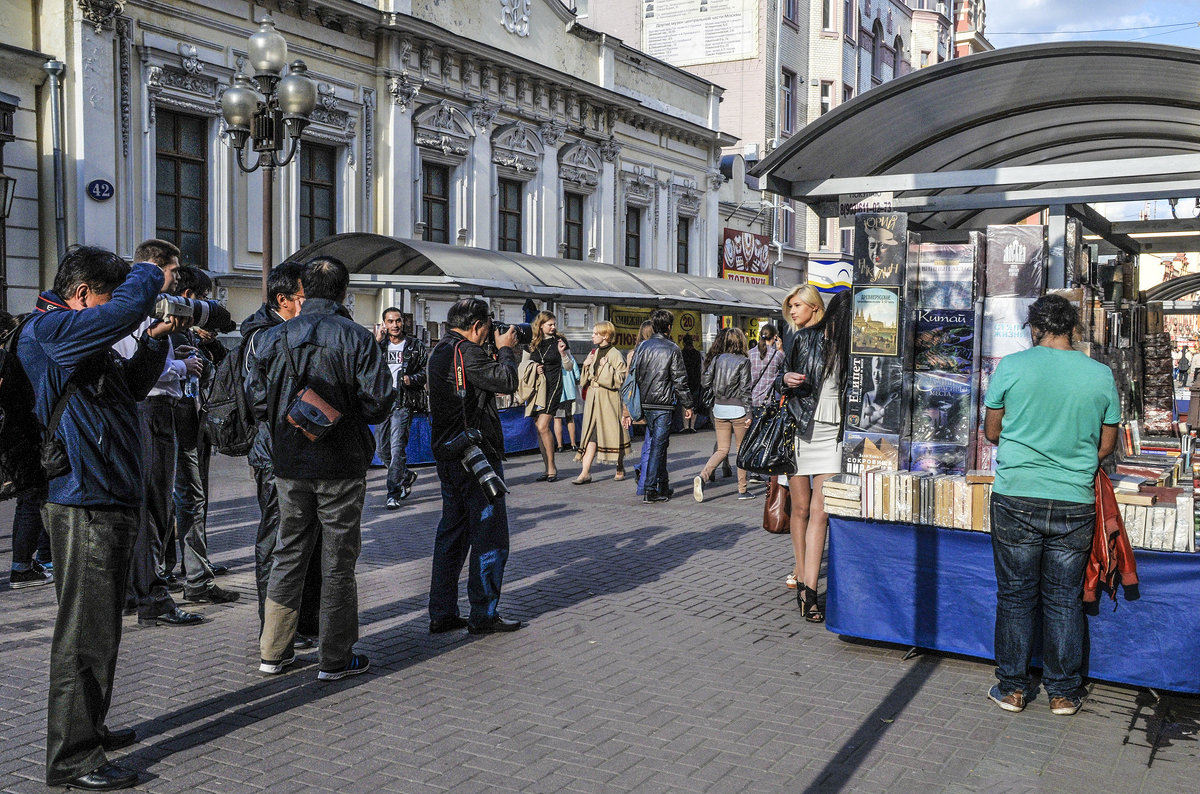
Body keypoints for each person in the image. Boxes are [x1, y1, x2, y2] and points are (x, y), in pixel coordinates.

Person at [19, 245, 179, 790]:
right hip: (84, 500)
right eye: (109, 297)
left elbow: (128, 389)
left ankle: (90, 726)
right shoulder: (49, 331)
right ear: (84, 294)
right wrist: (148, 277)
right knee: (84, 634)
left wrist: (155, 344)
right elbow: (118, 313)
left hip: (105, 493)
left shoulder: (77, 335)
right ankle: (73, 758)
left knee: (100, 629)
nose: (119, 309)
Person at [250, 256, 394, 681]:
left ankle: (273, 650)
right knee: (338, 560)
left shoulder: (274, 337)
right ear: (344, 291)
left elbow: (258, 401)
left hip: (289, 461)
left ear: (303, 291)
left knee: (288, 552)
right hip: (341, 463)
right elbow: (379, 402)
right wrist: (338, 407)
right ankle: (335, 656)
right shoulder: (357, 338)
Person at [983, 294, 1119, 717]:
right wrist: (1070, 456)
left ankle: (1012, 689)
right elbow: (1106, 446)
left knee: (1016, 596)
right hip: (1073, 500)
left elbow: (991, 432)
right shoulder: (1100, 374)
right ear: (1073, 328)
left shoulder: (1011, 366)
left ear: (1035, 327)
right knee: (1064, 599)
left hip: (1016, 494)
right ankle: (1062, 692)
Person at [116, 239, 204, 628]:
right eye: (172, 270)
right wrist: (181, 369)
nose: (176, 277)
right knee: (152, 506)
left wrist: (177, 358)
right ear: (154, 268)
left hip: (154, 411)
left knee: (151, 505)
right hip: (150, 412)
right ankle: (150, 595)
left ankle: (135, 593)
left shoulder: (146, 307)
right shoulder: (137, 307)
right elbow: (135, 365)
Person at [427, 297, 522, 634]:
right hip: (475, 456)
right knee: (489, 534)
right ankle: (483, 614)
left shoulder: (441, 350)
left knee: (452, 532)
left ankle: (442, 611)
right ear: (478, 326)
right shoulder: (469, 351)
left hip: (448, 452)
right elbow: (508, 381)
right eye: (486, 330)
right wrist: (507, 350)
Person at [242, 262, 323, 650]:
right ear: (284, 300)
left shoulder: (287, 331)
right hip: (274, 454)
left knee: (307, 539)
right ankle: (272, 631)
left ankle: (303, 623)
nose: (309, 305)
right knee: (276, 543)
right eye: (305, 298)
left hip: (295, 451)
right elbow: (260, 401)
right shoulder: (264, 337)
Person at [778, 286, 850, 619]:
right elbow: (779, 380)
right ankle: (801, 565)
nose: (792, 311)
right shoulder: (799, 338)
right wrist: (785, 380)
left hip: (831, 432)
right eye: (790, 306)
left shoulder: (848, 345)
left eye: (797, 305)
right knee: (802, 508)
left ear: (817, 308)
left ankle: (809, 591)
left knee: (821, 512)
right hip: (800, 428)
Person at [171, 265, 238, 604]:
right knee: (190, 502)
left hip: (191, 426)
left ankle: (182, 569)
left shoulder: (187, 336)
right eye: (204, 297)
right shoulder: (173, 333)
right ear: (189, 297)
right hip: (180, 427)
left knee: (188, 501)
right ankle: (195, 578)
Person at [623, 309, 693, 503]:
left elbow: (634, 375)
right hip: (663, 404)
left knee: (659, 444)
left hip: (646, 402)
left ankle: (662, 485)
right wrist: (688, 404)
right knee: (658, 446)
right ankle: (651, 489)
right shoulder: (672, 348)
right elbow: (680, 379)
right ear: (669, 327)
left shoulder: (642, 347)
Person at [375, 307, 427, 509]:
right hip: (382, 402)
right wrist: (376, 341)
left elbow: (425, 372)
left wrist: (410, 379)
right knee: (382, 450)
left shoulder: (415, 345)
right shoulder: (379, 346)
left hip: (403, 401)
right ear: (384, 324)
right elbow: (365, 366)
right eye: (390, 321)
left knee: (397, 449)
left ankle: (393, 493)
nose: (395, 325)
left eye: (398, 321)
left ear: (403, 322)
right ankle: (405, 475)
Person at [693, 327, 753, 502]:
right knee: (741, 450)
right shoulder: (743, 361)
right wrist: (749, 412)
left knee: (721, 449)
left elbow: (705, 381)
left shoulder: (717, 359)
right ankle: (742, 489)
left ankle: (703, 476)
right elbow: (745, 390)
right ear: (741, 341)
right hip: (738, 409)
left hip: (719, 407)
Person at [572, 321, 630, 484]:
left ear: (605, 336)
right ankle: (585, 472)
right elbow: (586, 379)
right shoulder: (594, 352)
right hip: (593, 401)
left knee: (612, 433)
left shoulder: (615, 354)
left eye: (595, 333)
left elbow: (620, 380)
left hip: (608, 401)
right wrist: (586, 365)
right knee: (591, 434)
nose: (592, 336)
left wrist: (607, 368)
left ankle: (619, 465)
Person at [527, 311, 571, 482]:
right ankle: (546, 468)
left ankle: (552, 467)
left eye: (554, 324)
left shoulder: (560, 341)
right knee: (538, 427)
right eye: (549, 325)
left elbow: (568, 367)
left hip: (553, 385)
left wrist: (562, 353)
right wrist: (533, 368)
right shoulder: (532, 342)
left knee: (544, 425)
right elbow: (524, 363)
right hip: (537, 388)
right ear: (541, 325)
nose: (553, 327)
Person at [747, 323, 785, 484]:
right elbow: (784, 371)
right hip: (769, 402)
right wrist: (780, 348)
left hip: (752, 401)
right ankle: (762, 466)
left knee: (753, 435)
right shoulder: (777, 355)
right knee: (767, 436)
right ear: (774, 337)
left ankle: (752, 470)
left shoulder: (749, 354)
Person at [680, 334, 702, 433]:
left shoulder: (681, 353)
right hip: (696, 381)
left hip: (684, 381)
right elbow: (700, 368)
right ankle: (692, 426)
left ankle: (686, 426)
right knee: (694, 404)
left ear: (683, 343)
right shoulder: (697, 354)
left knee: (685, 403)